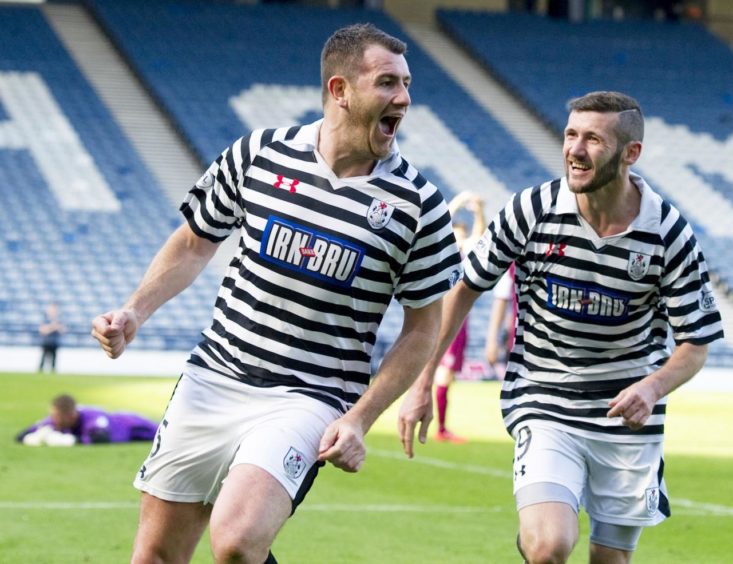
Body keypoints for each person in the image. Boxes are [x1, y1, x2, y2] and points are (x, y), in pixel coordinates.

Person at [90, 23, 460, 564]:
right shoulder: (259, 154)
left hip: (309, 395)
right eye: (387, 83)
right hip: (213, 377)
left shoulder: (418, 205)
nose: (403, 98)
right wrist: (133, 311)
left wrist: (360, 417)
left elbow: (424, 327)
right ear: (339, 90)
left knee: (237, 540)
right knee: (155, 556)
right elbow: (195, 243)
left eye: (406, 84)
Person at [398, 91, 724, 563]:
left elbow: (695, 341)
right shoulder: (531, 209)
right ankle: (535, 540)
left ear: (630, 153)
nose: (574, 149)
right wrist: (423, 381)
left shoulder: (669, 233)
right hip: (545, 401)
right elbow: (465, 287)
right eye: (571, 134)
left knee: (608, 559)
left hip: (627, 418)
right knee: (549, 545)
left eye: (593, 139)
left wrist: (652, 388)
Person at [432, 190, 485, 443]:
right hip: (445, 317)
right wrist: (460, 200)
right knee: (443, 373)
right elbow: (443, 219)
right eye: (458, 234)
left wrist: (479, 212)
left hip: (461, 320)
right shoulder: (443, 252)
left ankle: (442, 425)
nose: (461, 238)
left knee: (449, 375)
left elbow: (480, 237)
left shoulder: (464, 255)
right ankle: (440, 427)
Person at [15, 393, 158, 447]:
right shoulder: (54, 420)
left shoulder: (92, 417)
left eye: (57, 417)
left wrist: (70, 441)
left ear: (70, 415)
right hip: (129, 434)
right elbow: (21, 435)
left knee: (163, 436)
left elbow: (101, 439)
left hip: (132, 425)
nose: (53, 421)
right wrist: (33, 437)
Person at [38, 302, 65, 373]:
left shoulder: (59, 320)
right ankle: (40, 371)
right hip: (46, 342)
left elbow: (63, 331)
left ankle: (53, 372)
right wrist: (52, 327)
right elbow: (42, 331)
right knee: (43, 359)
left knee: (54, 361)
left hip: (54, 343)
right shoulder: (45, 320)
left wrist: (57, 327)